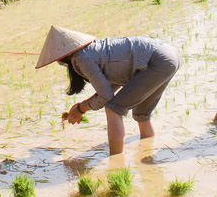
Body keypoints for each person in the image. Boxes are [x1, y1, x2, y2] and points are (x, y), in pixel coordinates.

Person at [36, 26, 180, 156]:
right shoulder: (93, 49)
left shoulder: (80, 59)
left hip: (156, 62)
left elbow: (106, 96)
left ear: (63, 56)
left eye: (58, 61)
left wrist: (80, 109)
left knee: (113, 109)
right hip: (168, 56)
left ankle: (116, 162)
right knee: (142, 114)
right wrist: (82, 105)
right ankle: (147, 155)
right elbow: (111, 84)